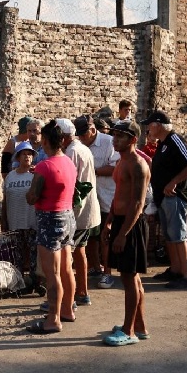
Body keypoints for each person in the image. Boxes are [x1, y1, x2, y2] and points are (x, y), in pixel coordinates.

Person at [25, 119, 77, 334]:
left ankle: (53, 320)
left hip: (50, 218)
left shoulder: (44, 166)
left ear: (45, 141)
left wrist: (35, 179)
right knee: (66, 269)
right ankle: (67, 310)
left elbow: (31, 197)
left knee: (52, 273)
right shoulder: (68, 162)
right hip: (68, 217)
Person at [102, 121, 151, 346]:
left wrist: (123, 234)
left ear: (133, 139)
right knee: (132, 278)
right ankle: (140, 327)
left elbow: (138, 203)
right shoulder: (121, 161)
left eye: (120, 136)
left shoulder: (138, 165)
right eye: (114, 135)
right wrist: (110, 221)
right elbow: (119, 194)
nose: (115, 139)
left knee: (129, 278)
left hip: (132, 225)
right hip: (120, 222)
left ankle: (128, 331)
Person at [145, 110, 187, 289]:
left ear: (158, 125)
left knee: (178, 236)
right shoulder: (163, 143)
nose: (148, 129)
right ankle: (175, 269)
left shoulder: (175, 140)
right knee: (170, 236)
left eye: (150, 125)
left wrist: (173, 182)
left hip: (176, 196)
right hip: (164, 197)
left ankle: (185, 275)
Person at [61, 118, 101, 307]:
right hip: (86, 210)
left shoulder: (72, 152)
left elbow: (69, 182)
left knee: (67, 254)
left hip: (77, 211)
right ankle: (82, 292)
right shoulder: (82, 148)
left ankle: (69, 297)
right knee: (80, 252)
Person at [75, 114, 117, 289]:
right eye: (79, 135)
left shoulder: (109, 142)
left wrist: (92, 172)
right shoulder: (79, 145)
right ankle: (95, 266)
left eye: (83, 134)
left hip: (107, 196)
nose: (81, 138)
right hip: (90, 198)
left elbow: (115, 167)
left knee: (105, 236)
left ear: (93, 130)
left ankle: (108, 272)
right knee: (90, 235)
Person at [1, 141, 38, 283]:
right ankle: (19, 281)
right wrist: (3, 219)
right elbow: (5, 199)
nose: (27, 157)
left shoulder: (35, 175)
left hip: (31, 223)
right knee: (17, 255)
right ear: (18, 157)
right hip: (15, 222)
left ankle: (35, 282)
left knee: (34, 255)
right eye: (24, 154)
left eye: (30, 154)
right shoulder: (10, 177)